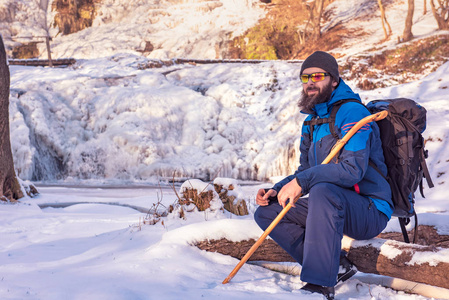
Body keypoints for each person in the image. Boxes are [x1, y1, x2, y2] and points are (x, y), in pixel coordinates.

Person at [254, 51, 393, 300]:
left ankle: (319, 286)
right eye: (305, 77)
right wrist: (278, 188)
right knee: (268, 211)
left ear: (334, 80)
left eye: (318, 76)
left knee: (322, 190)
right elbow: (305, 171)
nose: (310, 82)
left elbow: (353, 171)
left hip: (369, 209)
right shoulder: (312, 121)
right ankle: (337, 265)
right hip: (329, 204)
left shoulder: (353, 113)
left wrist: (303, 182)